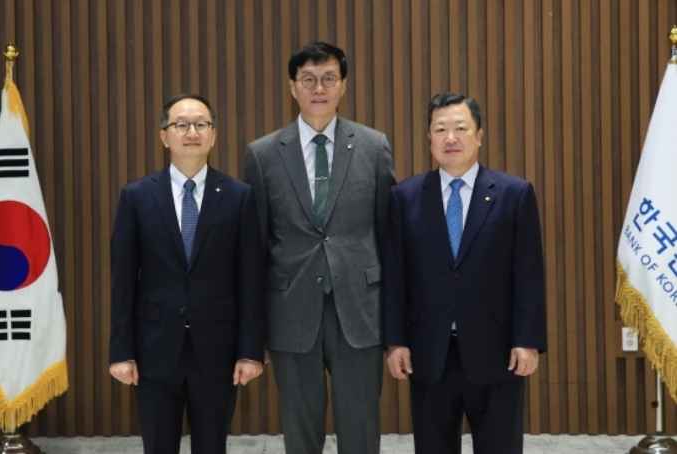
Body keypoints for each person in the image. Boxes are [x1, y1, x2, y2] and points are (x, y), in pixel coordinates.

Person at [243, 42, 396, 454]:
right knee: (301, 431)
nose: (318, 88)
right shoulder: (262, 154)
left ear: (343, 86)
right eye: (308, 79)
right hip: (290, 310)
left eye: (328, 78)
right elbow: (254, 249)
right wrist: (253, 330)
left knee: (361, 430)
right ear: (293, 87)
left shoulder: (373, 146)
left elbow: (389, 239)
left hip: (359, 311)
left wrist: (395, 321)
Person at [383, 92, 547, 454]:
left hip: (498, 351)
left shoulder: (514, 194)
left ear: (479, 135)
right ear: (429, 138)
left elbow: (529, 274)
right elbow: (396, 278)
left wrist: (528, 340)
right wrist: (395, 341)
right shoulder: (405, 197)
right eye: (440, 129)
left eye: (461, 128)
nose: (451, 138)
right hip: (429, 353)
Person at [108, 94, 265, 454]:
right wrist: (122, 351)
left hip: (218, 350)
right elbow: (122, 280)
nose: (191, 132)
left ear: (213, 135)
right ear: (165, 136)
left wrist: (250, 351)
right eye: (181, 124)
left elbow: (250, 279)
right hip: (153, 349)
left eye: (201, 124)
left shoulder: (239, 196)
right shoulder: (136, 196)